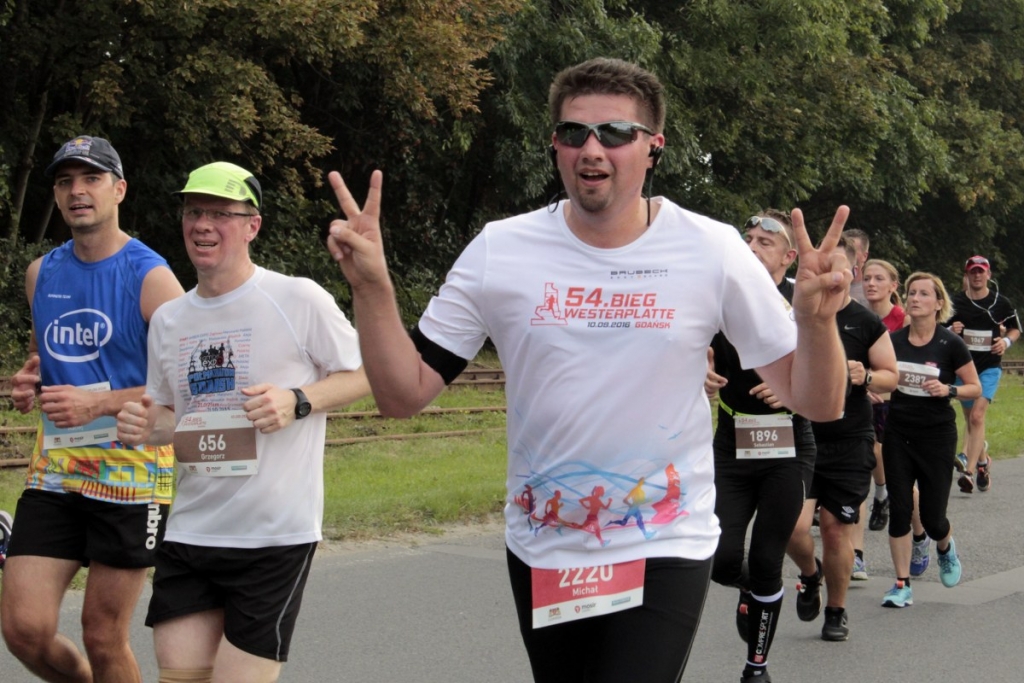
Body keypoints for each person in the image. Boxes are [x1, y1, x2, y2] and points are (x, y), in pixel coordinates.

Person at [324, 57, 852, 683]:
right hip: (545, 544)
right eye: (574, 133)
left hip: (663, 537)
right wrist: (372, 288)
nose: (592, 149)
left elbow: (817, 401)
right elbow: (402, 394)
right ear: (555, 145)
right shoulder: (501, 249)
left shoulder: (710, 249)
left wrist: (816, 322)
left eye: (615, 133)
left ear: (653, 147)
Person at [114, 162, 369, 683]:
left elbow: (368, 372)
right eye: (194, 212)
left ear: (252, 225)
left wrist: (297, 400)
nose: (203, 225)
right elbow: (170, 418)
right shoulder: (169, 320)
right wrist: (145, 425)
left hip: (272, 537)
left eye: (220, 214)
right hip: (191, 531)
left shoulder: (297, 297)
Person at [1, 136, 184, 683]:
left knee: (103, 636)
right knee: (24, 630)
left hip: (133, 475)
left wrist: (97, 403)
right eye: (65, 182)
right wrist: (30, 381)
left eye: (91, 179)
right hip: (56, 471)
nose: (77, 191)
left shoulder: (151, 277)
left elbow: (189, 388)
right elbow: (46, 356)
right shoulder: (41, 273)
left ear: (119, 189)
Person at [704, 210, 816, 676]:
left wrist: (794, 385)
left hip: (787, 445)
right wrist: (699, 368)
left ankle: (756, 666)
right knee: (720, 559)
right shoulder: (719, 296)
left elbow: (829, 370)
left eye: (764, 242)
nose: (751, 246)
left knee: (768, 557)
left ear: (788, 257)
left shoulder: (802, 303)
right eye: (747, 239)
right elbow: (687, 344)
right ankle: (756, 590)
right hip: (732, 444)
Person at [785, 239, 898, 641]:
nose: (832, 276)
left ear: (851, 274)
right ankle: (809, 573)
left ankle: (836, 611)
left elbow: (890, 376)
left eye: (841, 269)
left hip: (850, 439)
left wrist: (865, 376)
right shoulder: (795, 314)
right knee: (792, 527)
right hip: (802, 438)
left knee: (835, 529)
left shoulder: (865, 322)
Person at [881, 273, 980, 608]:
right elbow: (879, 377)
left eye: (924, 294)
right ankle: (901, 584)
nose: (915, 298)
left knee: (933, 519)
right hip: (898, 433)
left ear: (938, 303)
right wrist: (872, 387)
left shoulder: (950, 344)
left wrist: (948, 389)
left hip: (936, 436)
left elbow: (974, 387)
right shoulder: (893, 341)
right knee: (899, 510)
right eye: (911, 293)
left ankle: (944, 546)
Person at [848, 258, 906, 580]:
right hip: (862, 404)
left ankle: (923, 533)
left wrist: (877, 380)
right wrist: (863, 384)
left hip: (896, 406)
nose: (870, 283)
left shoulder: (903, 319)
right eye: (867, 278)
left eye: (878, 278)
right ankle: (856, 555)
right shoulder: (855, 316)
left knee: (906, 486)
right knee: (861, 468)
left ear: (893, 285)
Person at [947, 255, 1020, 493]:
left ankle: (968, 471)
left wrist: (1006, 342)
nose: (977, 275)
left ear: (988, 274)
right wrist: (951, 329)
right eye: (973, 271)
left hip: (989, 367)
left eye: (981, 271)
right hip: (964, 368)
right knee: (971, 418)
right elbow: (939, 327)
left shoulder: (1001, 302)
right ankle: (982, 461)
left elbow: (1015, 329)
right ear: (967, 275)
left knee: (977, 417)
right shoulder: (955, 302)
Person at [843, 229, 870, 306]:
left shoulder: (873, 290)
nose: (846, 254)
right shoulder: (828, 286)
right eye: (844, 249)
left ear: (865, 256)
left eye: (852, 251)